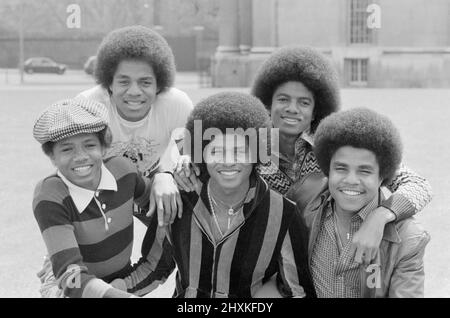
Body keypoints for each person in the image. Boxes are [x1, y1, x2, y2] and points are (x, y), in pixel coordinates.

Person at [175, 46, 433, 265]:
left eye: (304, 102)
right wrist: (184, 163)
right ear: (268, 102)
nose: (292, 109)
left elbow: (419, 185)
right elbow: (208, 162)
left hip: (322, 264)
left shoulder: (336, 145)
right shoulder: (247, 144)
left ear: (316, 108)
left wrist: (381, 216)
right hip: (260, 266)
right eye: (283, 99)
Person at [110, 92, 316, 298]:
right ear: (200, 153)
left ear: (257, 153)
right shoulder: (179, 201)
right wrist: (102, 291)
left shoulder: (283, 214)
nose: (227, 161)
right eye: (216, 151)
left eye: (239, 151)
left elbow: (298, 291)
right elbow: (152, 269)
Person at [296, 108, 430, 297]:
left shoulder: (408, 239)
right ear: (327, 170)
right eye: (341, 168)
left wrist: (379, 217)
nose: (351, 180)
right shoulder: (305, 198)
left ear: (383, 177)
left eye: (364, 171)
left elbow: (420, 185)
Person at [32, 98, 152, 298]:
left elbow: (157, 208)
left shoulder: (123, 170)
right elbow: (70, 275)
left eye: (89, 145)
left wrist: (164, 179)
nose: (80, 156)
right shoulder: (50, 195)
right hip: (68, 285)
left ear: (103, 147)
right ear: (52, 156)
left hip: (120, 276)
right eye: (67, 149)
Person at [77, 25, 194, 226]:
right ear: (108, 83)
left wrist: (167, 176)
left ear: (160, 85)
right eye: (124, 82)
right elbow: (76, 169)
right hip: (99, 185)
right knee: (96, 249)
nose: (134, 92)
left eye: (145, 82)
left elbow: (190, 159)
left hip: (150, 180)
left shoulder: (176, 104)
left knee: (185, 228)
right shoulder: (89, 106)